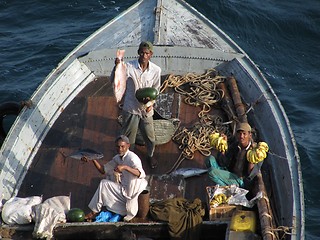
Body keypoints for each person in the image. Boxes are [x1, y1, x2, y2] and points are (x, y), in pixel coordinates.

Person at [112, 41, 161, 169]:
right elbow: (115, 79)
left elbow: (156, 90)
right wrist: (117, 66)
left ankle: (150, 155)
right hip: (131, 108)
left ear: (151, 54)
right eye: (142, 52)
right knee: (129, 139)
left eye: (147, 53)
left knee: (150, 137)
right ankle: (129, 160)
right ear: (138, 53)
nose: (144, 55)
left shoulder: (156, 70)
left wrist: (151, 104)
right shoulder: (128, 66)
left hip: (146, 110)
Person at [84, 135, 148, 222]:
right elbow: (103, 170)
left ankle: (123, 211)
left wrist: (125, 167)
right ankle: (94, 211)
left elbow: (140, 173)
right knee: (104, 183)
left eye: (122, 146)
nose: (120, 149)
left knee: (129, 210)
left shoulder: (132, 158)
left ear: (128, 146)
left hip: (133, 193)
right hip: (123, 191)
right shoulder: (117, 159)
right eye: (118, 147)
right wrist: (92, 159)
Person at [205, 122, 263, 189]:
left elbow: (251, 175)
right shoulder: (235, 145)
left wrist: (251, 161)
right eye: (239, 133)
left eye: (244, 134)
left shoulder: (256, 152)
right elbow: (223, 163)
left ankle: (226, 188)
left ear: (250, 135)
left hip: (240, 181)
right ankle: (223, 182)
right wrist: (223, 148)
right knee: (209, 159)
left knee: (212, 172)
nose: (241, 136)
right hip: (230, 173)